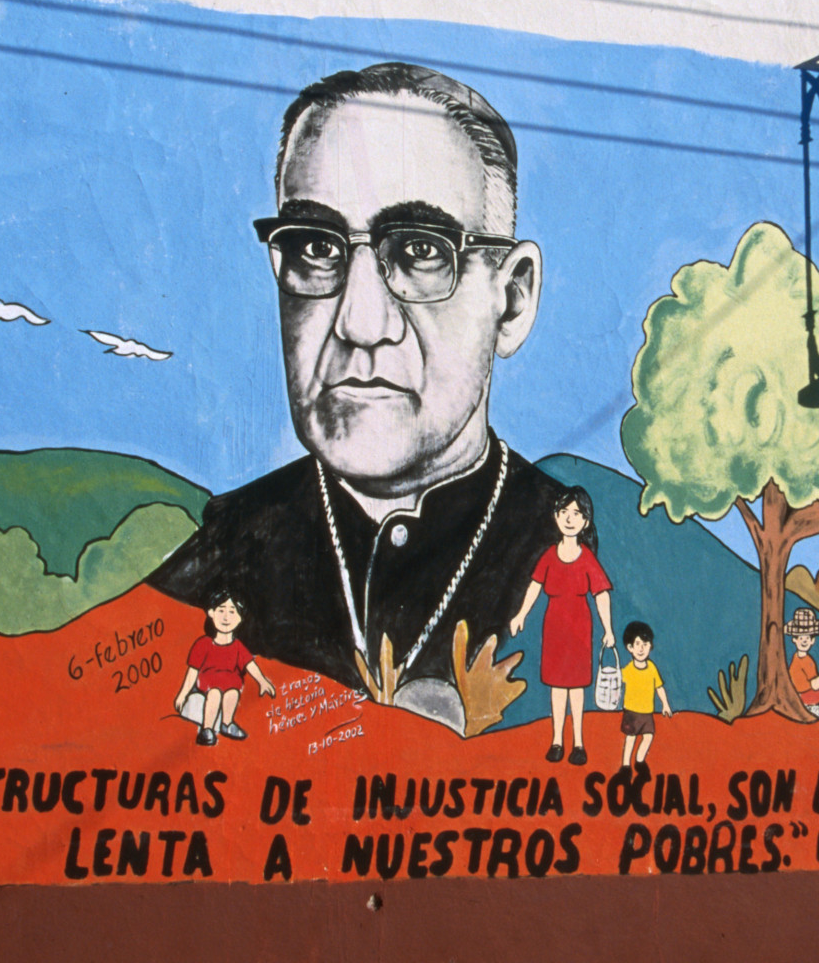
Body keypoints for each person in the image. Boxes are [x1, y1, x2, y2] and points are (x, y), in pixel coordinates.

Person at [146, 63, 565, 696]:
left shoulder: (570, 544)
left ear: (511, 301)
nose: (361, 324)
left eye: (421, 250)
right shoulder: (215, 562)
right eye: (317, 247)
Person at [509, 487, 614, 765]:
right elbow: (535, 585)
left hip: (580, 629)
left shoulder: (587, 558)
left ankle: (578, 743)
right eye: (564, 512)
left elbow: (601, 594)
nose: (569, 518)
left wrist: (608, 629)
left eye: (576, 513)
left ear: (585, 521)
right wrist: (521, 614)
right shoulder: (549, 555)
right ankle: (557, 741)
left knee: (576, 688)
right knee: (556, 686)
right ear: (556, 516)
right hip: (554, 628)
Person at [172, 590, 277, 746]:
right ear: (211, 613)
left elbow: (250, 664)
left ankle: (227, 724)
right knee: (215, 693)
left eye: (232, 612)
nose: (226, 617)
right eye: (221, 610)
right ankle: (207, 729)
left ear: (240, 618)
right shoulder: (203, 644)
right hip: (208, 685)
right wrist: (182, 694)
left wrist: (262, 681)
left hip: (231, 684)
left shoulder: (238, 646)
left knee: (233, 693)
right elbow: (192, 671)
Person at [617, 621, 670, 769]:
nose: (641, 648)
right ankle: (626, 765)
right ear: (630, 647)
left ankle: (640, 760)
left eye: (645, 644)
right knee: (631, 738)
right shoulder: (627, 670)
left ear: (650, 646)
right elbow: (616, 682)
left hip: (647, 712)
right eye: (637, 644)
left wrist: (665, 704)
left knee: (648, 736)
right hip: (631, 712)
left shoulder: (652, 668)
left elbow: (659, 687)